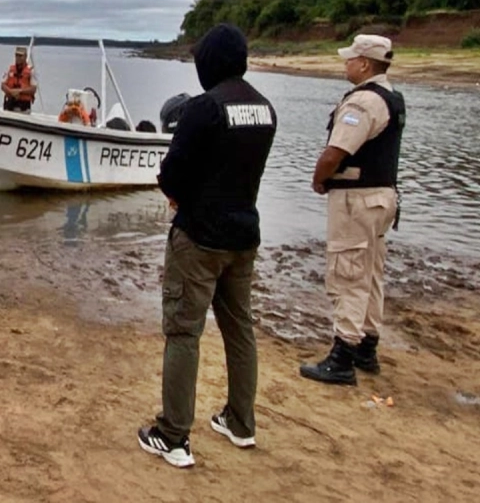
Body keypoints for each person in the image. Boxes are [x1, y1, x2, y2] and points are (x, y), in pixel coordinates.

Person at [137, 23, 276, 469]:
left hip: (198, 238)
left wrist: (175, 192)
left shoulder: (204, 108)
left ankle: (173, 436)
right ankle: (240, 421)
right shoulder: (265, 109)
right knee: (240, 329)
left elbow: (173, 174)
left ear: (209, 61)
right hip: (244, 235)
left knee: (183, 332)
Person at [300, 34, 404, 386]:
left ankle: (343, 354)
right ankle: (366, 345)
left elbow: (336, 152)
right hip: (382, 196)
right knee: (371, 271)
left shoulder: (364, 103)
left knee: (347, 272)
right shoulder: (391, 98)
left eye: (350, 59)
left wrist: (318, 179)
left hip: (357, 199)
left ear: (364, 64)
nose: (345, 64)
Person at [0, 46, 37, 112]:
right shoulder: (10, 69)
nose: (18, 58)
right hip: (10, 104)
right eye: (16, 55)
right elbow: (3, 85)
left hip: (23, 106)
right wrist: (10, 91)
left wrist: (19, 91)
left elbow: (33, 89)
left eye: (20, 56)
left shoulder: (31, 71)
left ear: (25, 56)